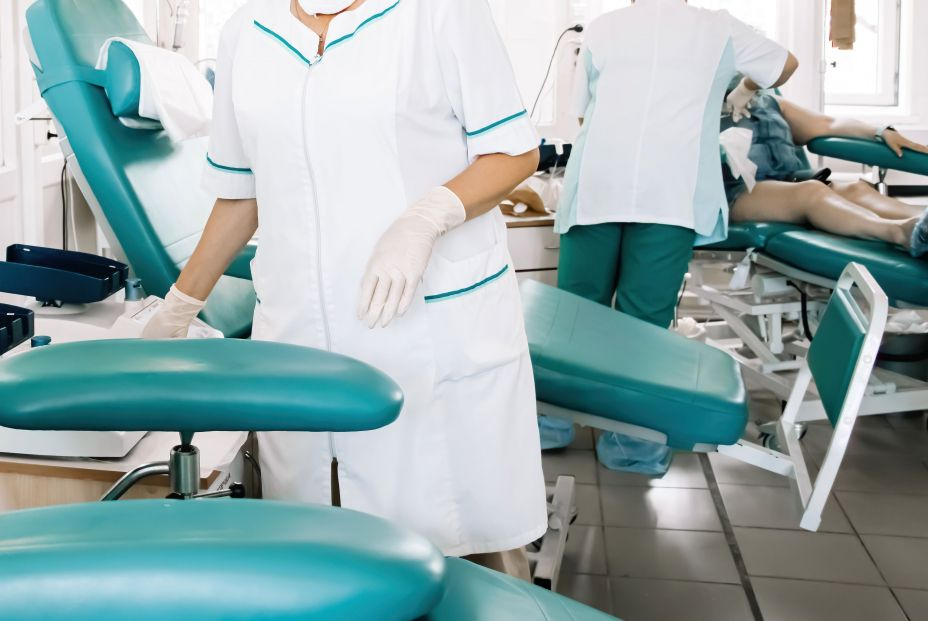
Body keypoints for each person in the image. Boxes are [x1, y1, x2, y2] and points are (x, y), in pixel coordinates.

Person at [142, 0, 547, 578]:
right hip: (299, 329)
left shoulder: (441, 13)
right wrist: (181, 304)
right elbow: (241, 191)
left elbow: (513, 149)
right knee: (318, 549)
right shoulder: (247, 31)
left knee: (464, 549)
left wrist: (428, 215)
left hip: (429, 327)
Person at [553, 0, 798, 472]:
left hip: (599, 184)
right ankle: (632, 444)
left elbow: (582, 115)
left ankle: (553, 424)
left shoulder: (604, 28)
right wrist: (745, 83)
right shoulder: (720, 28)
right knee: (644, 323)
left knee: (574, 314)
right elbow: (785, 64)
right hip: (670, 191)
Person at [721, 88, 928, 256]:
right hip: (737, 193)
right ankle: (901, 232)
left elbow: (829, 124)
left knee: (855, 190)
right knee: (811, 192)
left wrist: (879, 131)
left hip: (789, 182)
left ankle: (921, 218)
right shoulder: (699, 107)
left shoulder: (769, 102)